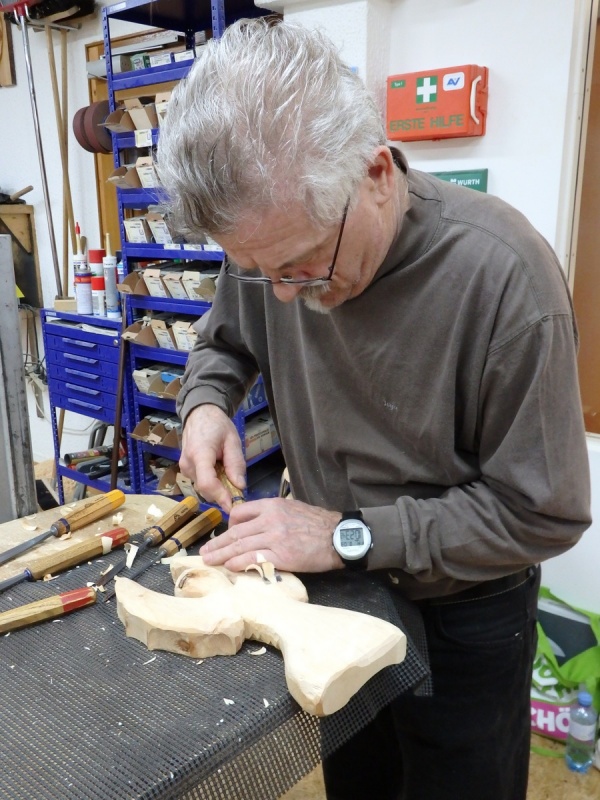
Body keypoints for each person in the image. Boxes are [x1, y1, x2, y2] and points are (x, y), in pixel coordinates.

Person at [157, 17, 591, 800]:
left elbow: (543, 514)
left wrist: (345, 535)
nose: (281, 295)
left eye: (300, 267)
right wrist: (207, 402)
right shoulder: (274, 237)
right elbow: (226, 339)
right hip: (333, 600)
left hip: (463, 615)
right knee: (360, 785)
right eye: (254, 270)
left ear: (377, 174)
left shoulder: (505, 278)